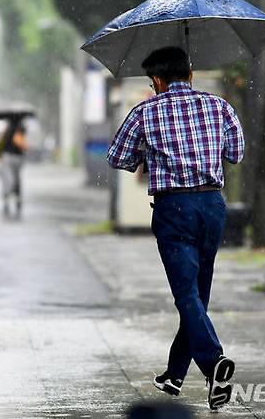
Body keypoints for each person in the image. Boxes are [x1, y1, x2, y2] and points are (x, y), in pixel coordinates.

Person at [107, 46, 245, 410]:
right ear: (190, 74)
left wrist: (148, 154)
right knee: (198, 291)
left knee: (186, 293)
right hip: (212, 205)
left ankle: (215, 362)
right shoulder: (219, 106)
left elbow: (118, 157)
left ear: (156, 80)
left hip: (175, 208)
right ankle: (175, 374)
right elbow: (235, 153)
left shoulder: (145, 112)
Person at [0, 120, 28, 217]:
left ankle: (14, 204)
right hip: (12, 157)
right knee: (12, 181)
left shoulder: (18, 128)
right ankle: (10, 204)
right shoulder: (15, 128)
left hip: (13, 158)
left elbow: (23, 145)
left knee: (12, 181)